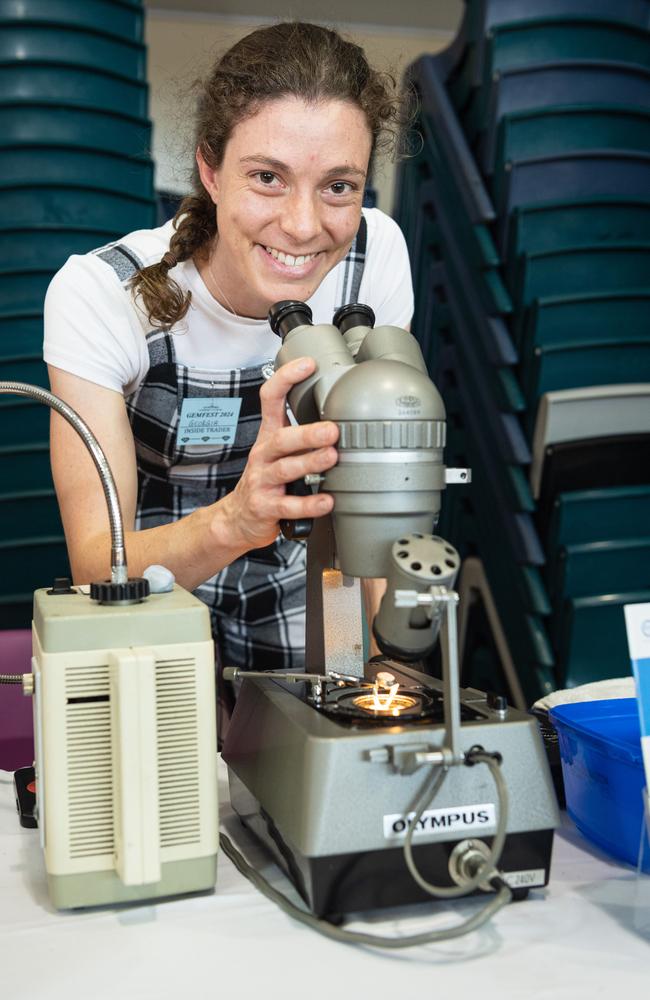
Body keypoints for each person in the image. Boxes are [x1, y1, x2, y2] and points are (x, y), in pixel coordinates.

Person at [43, 21, 414, 676]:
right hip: (154, 609)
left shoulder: (375, 255)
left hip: (319, 593)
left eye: (338, 186)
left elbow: (372, 489)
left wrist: (380, 664)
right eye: (268, 177)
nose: (303, 225)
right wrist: (239, 519)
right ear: (210, 170)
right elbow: (96, 562)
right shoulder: (103, 293)